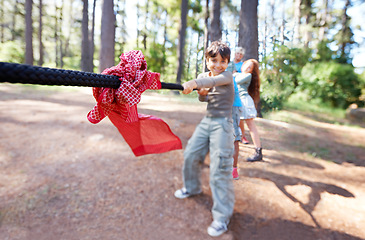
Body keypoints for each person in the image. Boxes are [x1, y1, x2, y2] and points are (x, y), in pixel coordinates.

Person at [174, 41, 235, 237]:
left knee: (220, 167)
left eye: (223, 61)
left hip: (223, 124)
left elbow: (212, 83)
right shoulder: (203, 76)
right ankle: (192, 188)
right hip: (208, 120)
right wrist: (201, 93)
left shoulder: (227, 75)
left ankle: (221, 217)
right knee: (191, 154)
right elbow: (205, 97)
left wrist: (195, 84)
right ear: (207, 60)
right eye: (214, 60)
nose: (218, 65)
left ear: (227, 63)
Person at [235, 59, 263, 164]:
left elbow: (235, 80)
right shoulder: (239, 74)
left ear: (252, 71)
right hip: (238, 102)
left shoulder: (247, 76)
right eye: (247, 65)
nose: (247, 68)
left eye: (250, 67)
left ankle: (258, 151)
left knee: (251, 126)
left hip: (245, 102)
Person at [227, 47, 250, 144]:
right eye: (237, 53)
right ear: (234, 54)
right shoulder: (229, 63)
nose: (239, 56)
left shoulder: (243, 65)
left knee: (239, 116)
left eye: (241, 54)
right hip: (228, 90)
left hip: (239, 91)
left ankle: (242, 136)